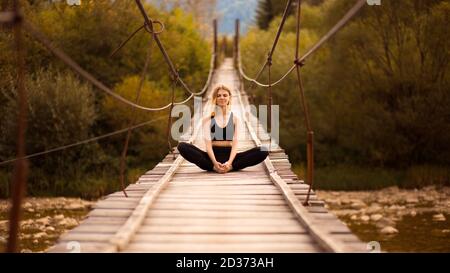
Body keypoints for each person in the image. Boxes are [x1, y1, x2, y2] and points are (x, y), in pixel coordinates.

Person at [177, 84, 269, 173]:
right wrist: (214, 164)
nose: (222, 97)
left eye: (225, 95)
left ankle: (231, 167)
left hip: (231, 157)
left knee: (263, 150)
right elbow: (208, 146)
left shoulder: (235, 119)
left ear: (229, 98)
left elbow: (235, 145)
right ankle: (213, 167)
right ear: (215, 99)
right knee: (182, 146)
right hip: (211, 157)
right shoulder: (207, 120)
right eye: (218, 95)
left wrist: (229, 163)